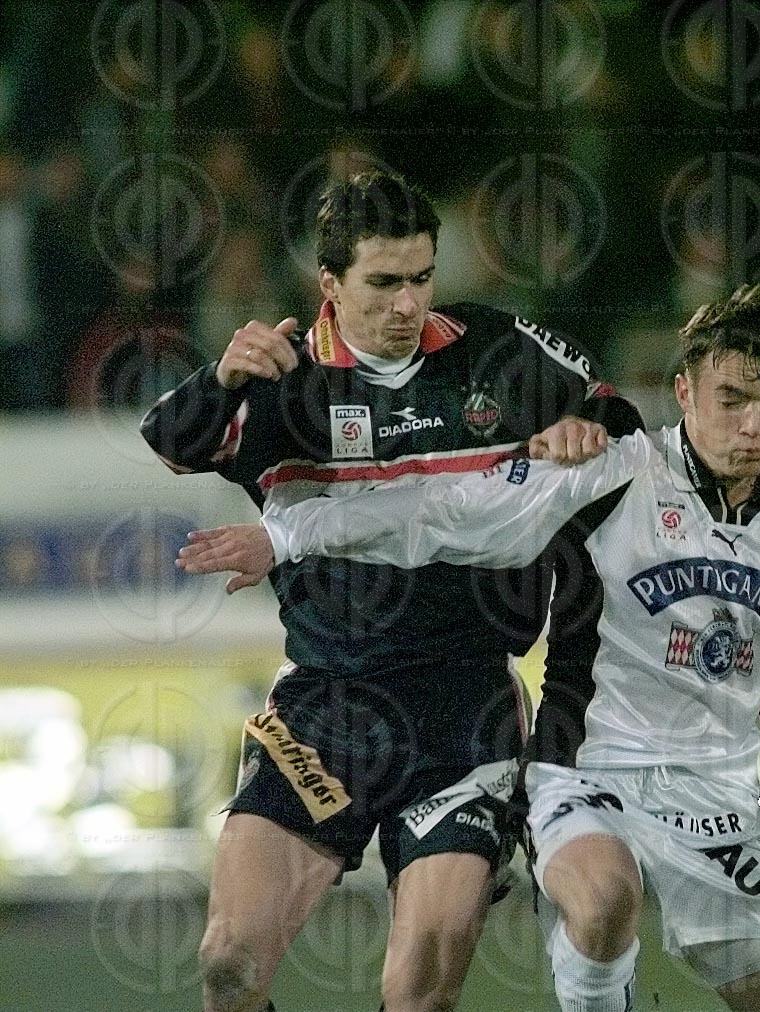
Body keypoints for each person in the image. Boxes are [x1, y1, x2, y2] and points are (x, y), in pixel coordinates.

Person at [177, 286, 760, 1012]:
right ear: (684, 392)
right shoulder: (611, 473)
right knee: (603, 903)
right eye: (732, 399)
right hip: (589, 772)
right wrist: (286, 536)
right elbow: (443, 511)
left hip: (716, 797)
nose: (753, 425)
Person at [140, 169, 640, 1012]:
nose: (408, 304)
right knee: (229, 962)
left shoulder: (496, 350)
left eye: (421, 278)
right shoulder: (283, 378)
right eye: (383, 283)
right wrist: (221, 377)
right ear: (330, 284)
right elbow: (170, 443)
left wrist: (582, 426)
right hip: (323, 708)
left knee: (419, 993)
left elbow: (614, 412)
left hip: (464, 712)